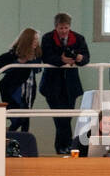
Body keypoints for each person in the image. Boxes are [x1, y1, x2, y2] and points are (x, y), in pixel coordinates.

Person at [39, 12, 91, 155]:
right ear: (55, 27)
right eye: (61, 28)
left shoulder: (79, 38)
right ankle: (66, 145)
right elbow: (46, 57)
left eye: (66, 28)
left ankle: (63, 146)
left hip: (70, 84)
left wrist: (80, 58)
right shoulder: (47, 38)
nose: (63, 31)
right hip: (52, 84)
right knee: (59, 117)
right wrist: (62, 60)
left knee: (67, 116)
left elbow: (87, 58)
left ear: (70, 27)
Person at [0, 28, 41, 131]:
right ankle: (8, 132)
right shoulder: (13, 54)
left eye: (37, 40)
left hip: (29, 89)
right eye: (34, 40)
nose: (36, 43)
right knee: (19, 117)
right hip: (14, 89)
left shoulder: (36, 54)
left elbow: (39, 66)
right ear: (27, 40)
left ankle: (18, 136)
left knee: (26, 116)